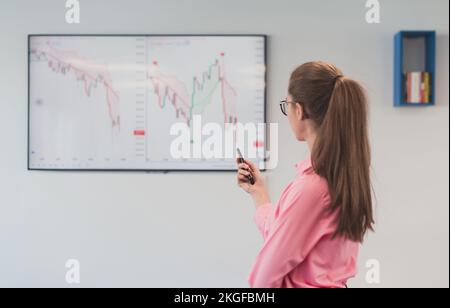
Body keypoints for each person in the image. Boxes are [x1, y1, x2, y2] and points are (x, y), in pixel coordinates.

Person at [237, 61, 374, 288]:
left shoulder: (312, 188)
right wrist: (258, 192)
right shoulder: (341, 177)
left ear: (299, 110)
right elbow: (284, 232)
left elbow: (262, 278)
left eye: (287, 105)